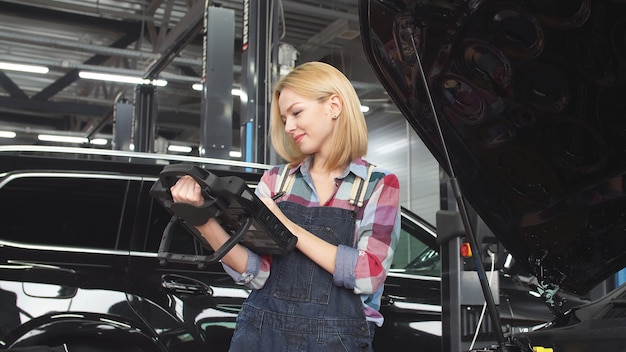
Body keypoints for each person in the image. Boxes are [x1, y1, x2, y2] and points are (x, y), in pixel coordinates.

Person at [170, 61, 401, 351]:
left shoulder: (377, 185)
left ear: (334, 106)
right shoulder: (276, 181)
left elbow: (367, 275)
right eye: (284, 118)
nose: (289, 126)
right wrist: (202, 219)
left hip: (337, 341)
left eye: (296, 112)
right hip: (262, 336)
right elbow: (257, 273)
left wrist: (287, 226)